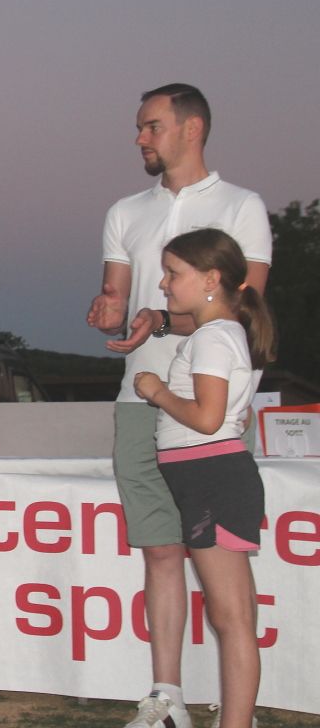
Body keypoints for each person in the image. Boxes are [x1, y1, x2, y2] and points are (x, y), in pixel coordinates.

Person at [86, 84, 271, 728]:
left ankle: (237, 712)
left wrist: (161, 322)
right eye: (139, 127)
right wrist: (109, 311)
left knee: (223, 581)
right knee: (160, 550)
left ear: (192, 128)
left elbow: (242, 308)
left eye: (152, 126)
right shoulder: (124, 211)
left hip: (206, 412)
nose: (140, 137)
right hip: (138, 401)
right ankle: (166, 700)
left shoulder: (242, 206)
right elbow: (117, 300)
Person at [134, 228, 273, 728]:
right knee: (231, 614)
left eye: (173, 273)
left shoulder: (214, 337)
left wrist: (157, 392)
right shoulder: (218, 335)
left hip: (213, 479)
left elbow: (209, 418)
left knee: (231, 616)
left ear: (211, 279)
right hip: (208, 479)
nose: (164, 284)